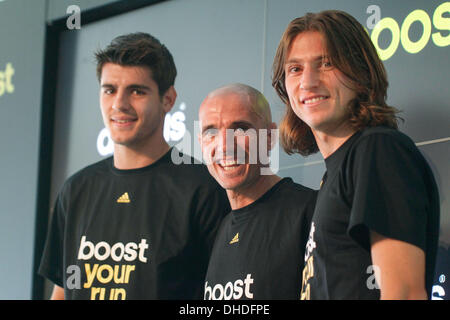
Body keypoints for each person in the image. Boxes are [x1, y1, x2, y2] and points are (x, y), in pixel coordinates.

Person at [38, 32, 230, 300]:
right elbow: (61, 292)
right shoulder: (76, 190)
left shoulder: (203, 189)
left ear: (168, 99)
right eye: (109, 90)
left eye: (137, 91)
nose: (119, 104)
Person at [272, 10, 440, 300]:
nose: (308, 82)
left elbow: (405, 294)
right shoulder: (335, 174)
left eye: (326, 63)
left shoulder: (378, 150)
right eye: (295, 69)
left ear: (360, 73)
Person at [198, 83, 317, 300]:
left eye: (241, 129)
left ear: (270, 137)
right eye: (211, 132)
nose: (225, 146)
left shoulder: (309, 211)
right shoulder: (221, 227)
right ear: (200, 143)